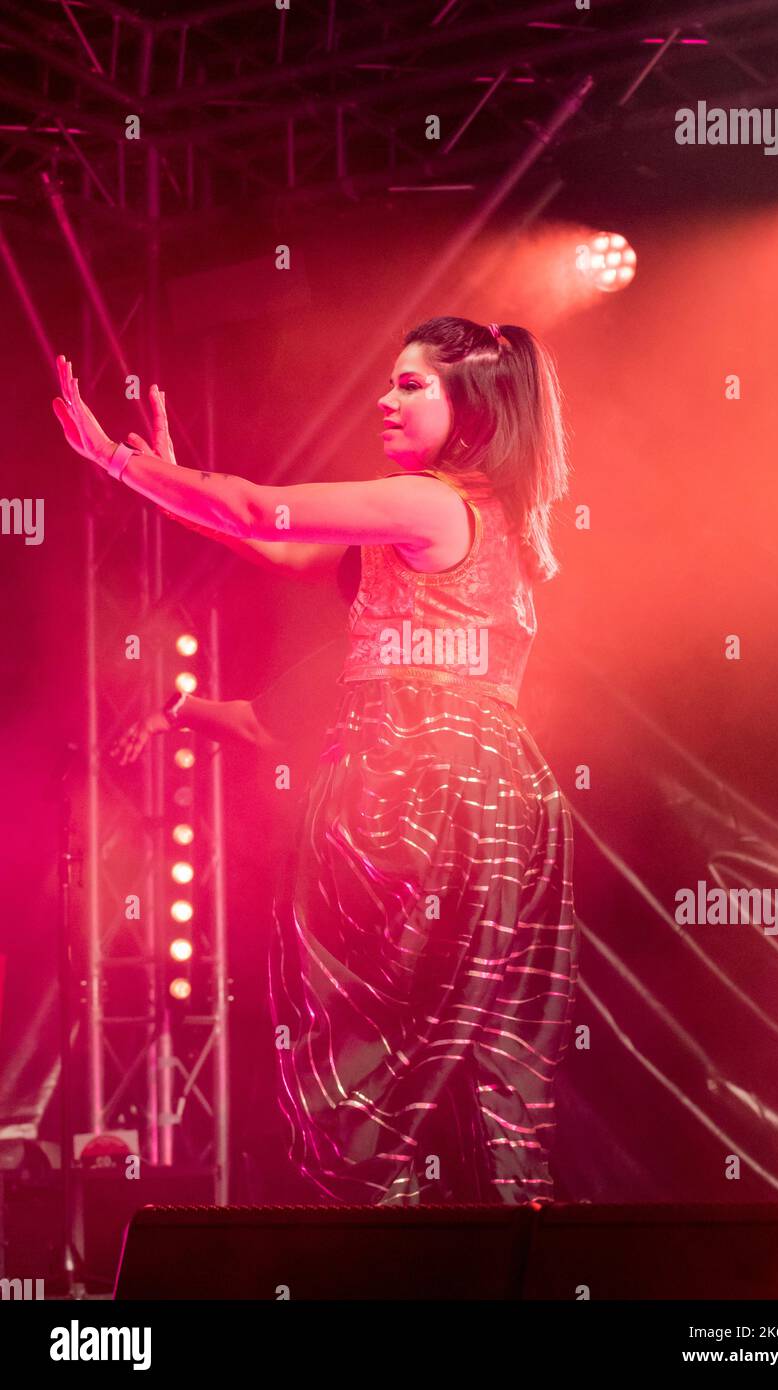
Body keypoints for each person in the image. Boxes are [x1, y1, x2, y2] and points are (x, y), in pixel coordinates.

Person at [52, 316, 580, 1205]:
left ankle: (388, 1251)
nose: (385, 398)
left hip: (415, 776)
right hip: (498, 798)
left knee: (365, 1045)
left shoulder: (427, 504)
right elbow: (279, 542)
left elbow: (261, 507)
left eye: (412, 385)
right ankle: (489, 1254)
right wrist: (178, 486)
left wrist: (122, 463)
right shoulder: (487, 520)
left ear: (474, 407)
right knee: (470, 1051)